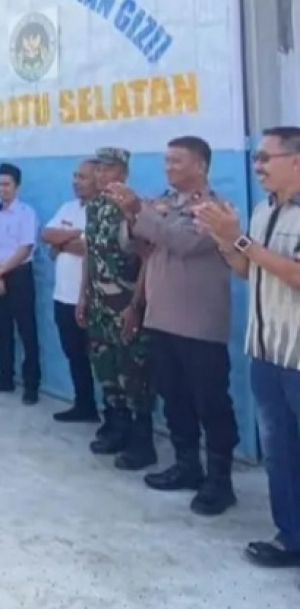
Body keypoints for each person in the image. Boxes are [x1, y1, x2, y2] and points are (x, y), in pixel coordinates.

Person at [110, 136, 239, 513]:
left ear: (200, 165)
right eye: (166, 160)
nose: (169, 167)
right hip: (162, 318)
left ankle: (220, 480)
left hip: (199, 324)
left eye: (177, 161)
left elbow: (183, 242)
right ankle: (187, 466)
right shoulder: (163, 202)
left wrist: (142, 212)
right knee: (174, 396)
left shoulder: (215, 209)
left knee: (211, 402)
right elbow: (133, 241)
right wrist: (135, 216)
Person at [195, 126, 300, 571]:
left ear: (296, 161)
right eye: (256, 159)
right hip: (264, 352)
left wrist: (241, 242)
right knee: (280, 454)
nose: (257, 166)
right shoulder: (261, 212)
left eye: (265, 158)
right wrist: (224, 239)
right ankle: (291, 538)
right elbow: (245, 269)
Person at [79, 148, 154, 470]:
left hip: (125, 307)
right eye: (97, 169)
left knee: (134, 376)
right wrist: (84, 296)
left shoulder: (134, 209)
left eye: (106, 169)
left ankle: (142, 441)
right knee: (107, 371)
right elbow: (90, 255)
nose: (99, 175)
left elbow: (147, 260)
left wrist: (136, 306)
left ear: (122, 172)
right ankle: (117, 427)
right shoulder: (94, 208)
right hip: (99, 306)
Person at [0, 162, 41, 404]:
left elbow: (25, 248)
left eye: (6, 185)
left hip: (20, 275)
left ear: (17, 187)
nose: (2, 189)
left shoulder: (26, 213)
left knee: (27, 331)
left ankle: (32, 385)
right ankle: (5, 377)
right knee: (0, 329)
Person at [41, 160, 99, 423]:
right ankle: (84, 404)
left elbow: (90, 249)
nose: (77, 181)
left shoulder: (103, 211)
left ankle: (113, 417)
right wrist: (75, 236)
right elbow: (47, 235)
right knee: (74, 354)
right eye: (75, 176)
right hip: (63, 296)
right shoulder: (68, 207)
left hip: (90, 299)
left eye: (83, 177)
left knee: (99, 359)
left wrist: (62, 241)